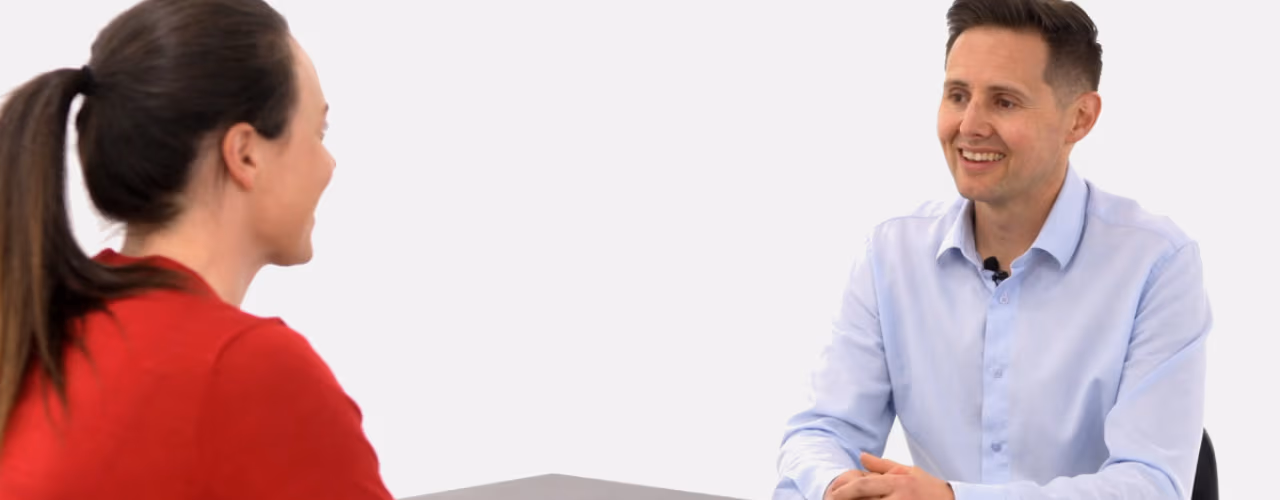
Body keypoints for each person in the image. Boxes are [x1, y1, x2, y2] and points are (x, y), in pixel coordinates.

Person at [773, 0, 1211, 499]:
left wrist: (955, 498)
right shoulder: (891, 253)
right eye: (957, 95)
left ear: (1080, 119)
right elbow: (822, 432)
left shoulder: (1156, 263)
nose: (970, 125)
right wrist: (836, 484)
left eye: (1004, 101)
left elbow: (1150, 484)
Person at [0, 0, 394, 498]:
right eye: (319, 132)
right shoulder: (248, 371)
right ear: (245, 153)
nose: (329, 164)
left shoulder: (46, 330)